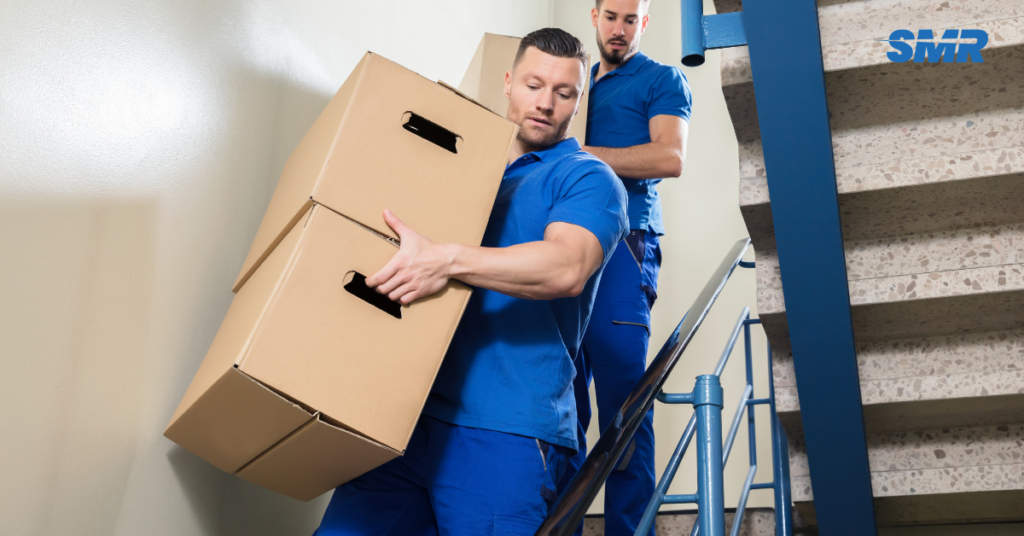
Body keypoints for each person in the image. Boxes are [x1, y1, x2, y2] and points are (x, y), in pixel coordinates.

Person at [313, 28, 628, 536]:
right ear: (507, 83)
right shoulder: (461, 171)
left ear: (579, 98)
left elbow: (566, 266)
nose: (545, 103)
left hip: (506, 427)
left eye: (563, 92)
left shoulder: (586, 178)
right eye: (532, 85)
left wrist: (450, 260)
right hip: (405, 418)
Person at [556, 1, 692, 535]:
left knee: (624, 408)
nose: (619, 28)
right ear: (594, 15)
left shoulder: (661, 79)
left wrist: (582, 153)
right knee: (562, 404)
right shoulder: (577, 84)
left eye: (630, 19)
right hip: (564, 242)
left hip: (624, 245)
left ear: (644, 23)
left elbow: (669, 158)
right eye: (611, 16)